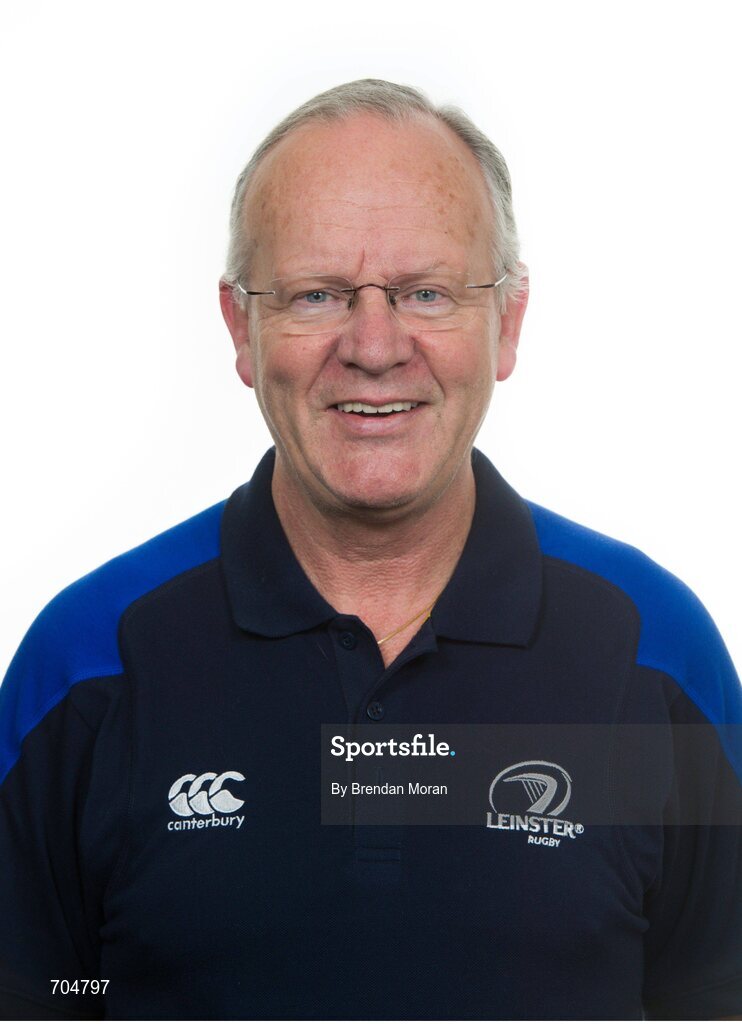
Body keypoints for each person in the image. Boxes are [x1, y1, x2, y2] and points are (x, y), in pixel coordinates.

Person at [0, 79, 740, 1021]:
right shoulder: (88, 665)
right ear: (241, 327)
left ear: (506, 323)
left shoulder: (653, 656)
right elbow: (42, 1000)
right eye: (319, 295)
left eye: (427, 291)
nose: (376, 345)